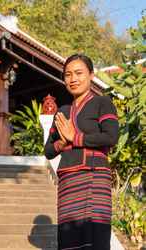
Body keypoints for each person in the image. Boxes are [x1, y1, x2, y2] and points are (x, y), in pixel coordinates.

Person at [44, 54, 119, 250]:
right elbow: (48, 150)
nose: (73, 79)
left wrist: (75, 137)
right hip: (68, 181)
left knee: (95, 237)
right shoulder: (62, 111)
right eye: (68, 74)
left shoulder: (103, 103)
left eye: (79, 73)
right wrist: (62, 141)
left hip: (94, 177)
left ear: (91, 75)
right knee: (69, 240)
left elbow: (111, 137)